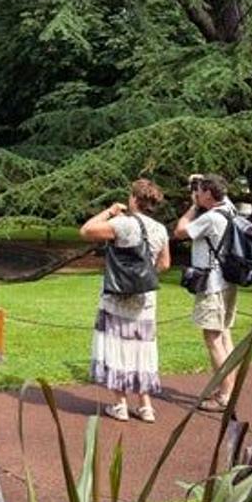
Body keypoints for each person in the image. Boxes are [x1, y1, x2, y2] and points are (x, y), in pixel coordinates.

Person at [80, 179, 171, 422]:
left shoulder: (123, 224)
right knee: (141, 350)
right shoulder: (160, 230)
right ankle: (146, 406)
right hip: (145, 300)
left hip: (117, 296)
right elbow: (164, 264)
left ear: (134, 199)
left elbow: (87, 231)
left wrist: (110, 211)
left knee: (116, 348)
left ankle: (120, 405)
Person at [175, 172, 238, 407]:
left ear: (209, 195)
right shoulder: (229, 208)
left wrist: (193, 206)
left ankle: (224, 396)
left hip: (212, 285)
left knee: (212, 338)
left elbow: (180, 231)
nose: (197, 194)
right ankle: (230, 387)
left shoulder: (210, 218)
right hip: (229, 282)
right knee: (225, 335)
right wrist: (200, 180)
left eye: (200, 191)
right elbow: (221, 190)